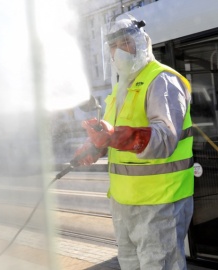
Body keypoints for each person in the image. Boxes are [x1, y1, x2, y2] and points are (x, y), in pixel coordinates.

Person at [74, 15, 194, 270]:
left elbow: (165, 139)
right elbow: (112, 135)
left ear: (142, 42)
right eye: (113, 46)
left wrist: (114, 136)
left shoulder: (161, 80)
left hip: (160, 201)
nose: (118, 51)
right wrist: (96, 146)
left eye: (125, 42)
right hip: (124, 203)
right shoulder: (120, 88)